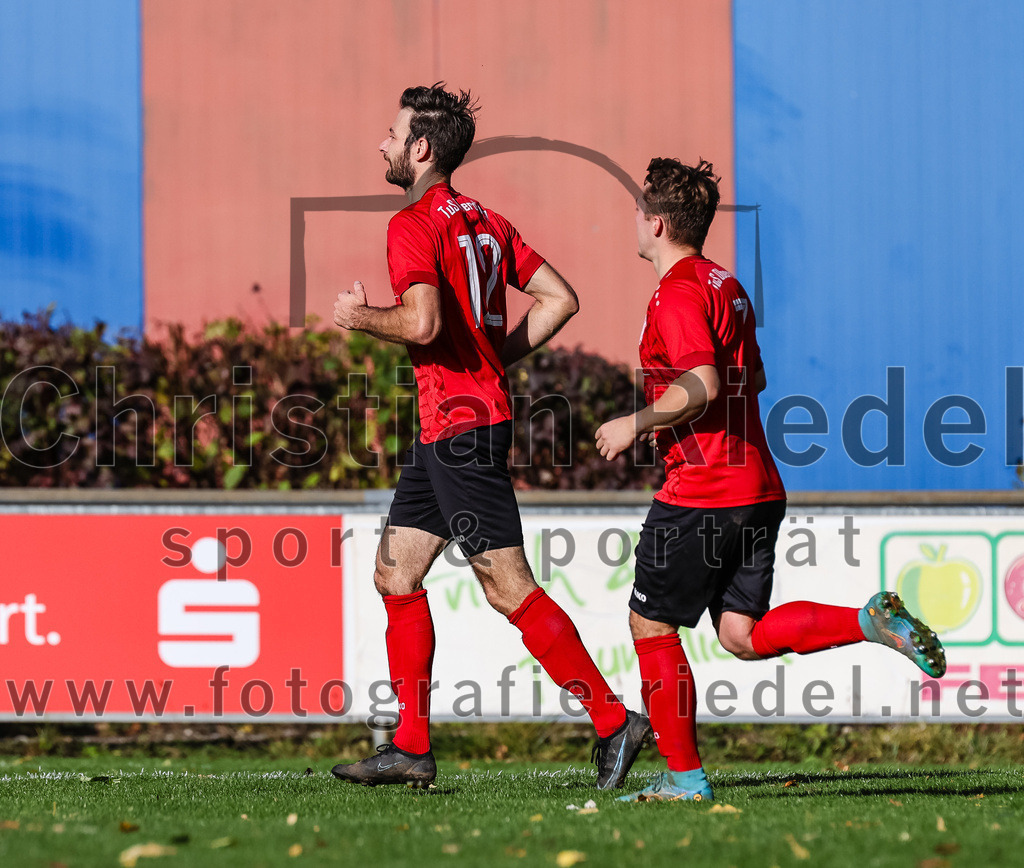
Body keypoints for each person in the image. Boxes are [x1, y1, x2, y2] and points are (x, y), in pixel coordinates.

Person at [595, 157, 946, 803]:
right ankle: (869, 621)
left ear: (658, 223)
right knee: (741, 635)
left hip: (703, 490)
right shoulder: (727, 285)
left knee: (651, 625)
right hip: (757, 485)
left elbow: (700, 384)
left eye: (638, 213)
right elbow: (749, 380)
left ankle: (685, 780)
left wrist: (636, 422)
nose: (633, 223)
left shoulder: (675, 293)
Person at [330, 83, 650, 789]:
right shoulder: (487, 220)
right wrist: (491, 358)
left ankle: (612, 720)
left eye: (390, 133)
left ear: (420, 149)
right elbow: (561, 298)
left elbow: (419, 323)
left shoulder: (413, 222)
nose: (381, 144)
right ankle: (411, 748)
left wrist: (358, 318)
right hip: (453, 426)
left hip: (461, 430)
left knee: (508, 589)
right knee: (395, 574)